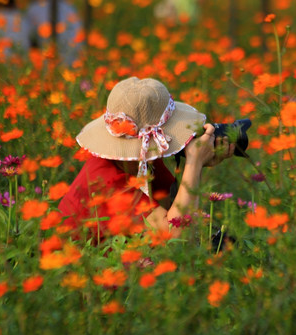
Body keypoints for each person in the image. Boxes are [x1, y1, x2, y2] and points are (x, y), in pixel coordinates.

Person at [58, 77, 234, 241]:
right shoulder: (106, 182)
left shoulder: (142, 160)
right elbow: (174, 235)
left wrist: (199, 162)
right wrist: (194, 163)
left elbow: (172, 207)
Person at [26, 0, 83, 65]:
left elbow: (29, 41)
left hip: (49, 63)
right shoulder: (71, 8)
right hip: (72, 63)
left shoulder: (35, 9)